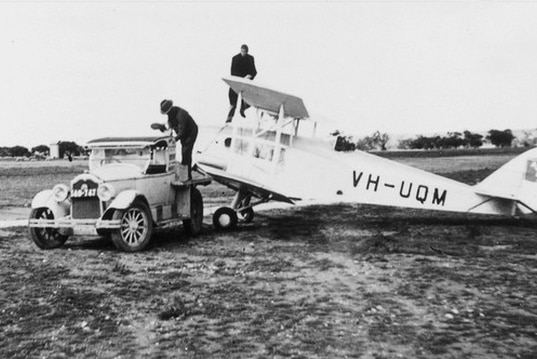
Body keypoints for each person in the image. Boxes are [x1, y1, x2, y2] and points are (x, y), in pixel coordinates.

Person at [160, 99, 198, 180]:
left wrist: (174, 140)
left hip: (191, 132)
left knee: (186, 152)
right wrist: (169, 135)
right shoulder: (170, 114)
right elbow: (171, 125)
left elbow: (182, 132)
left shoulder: (181, 114)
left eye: (168, 112)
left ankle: (187, 176)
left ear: (171, 108)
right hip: (182, 132)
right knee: (184, 152)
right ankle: (185, 173)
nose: (167, 114)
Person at [226, 44, 257, 123]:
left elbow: (254, 71)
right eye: (242, 51)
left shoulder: (250, 58)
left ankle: (242, 108)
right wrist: (240, 78)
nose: (243, 53)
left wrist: (249, 76)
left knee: (251, 98)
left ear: (247, 52)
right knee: (233, 101)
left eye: (245, 52)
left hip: (246, 82)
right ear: (240, 50)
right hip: (237, 81)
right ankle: (230, 117)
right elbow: (232, 72)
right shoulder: (235, 58)